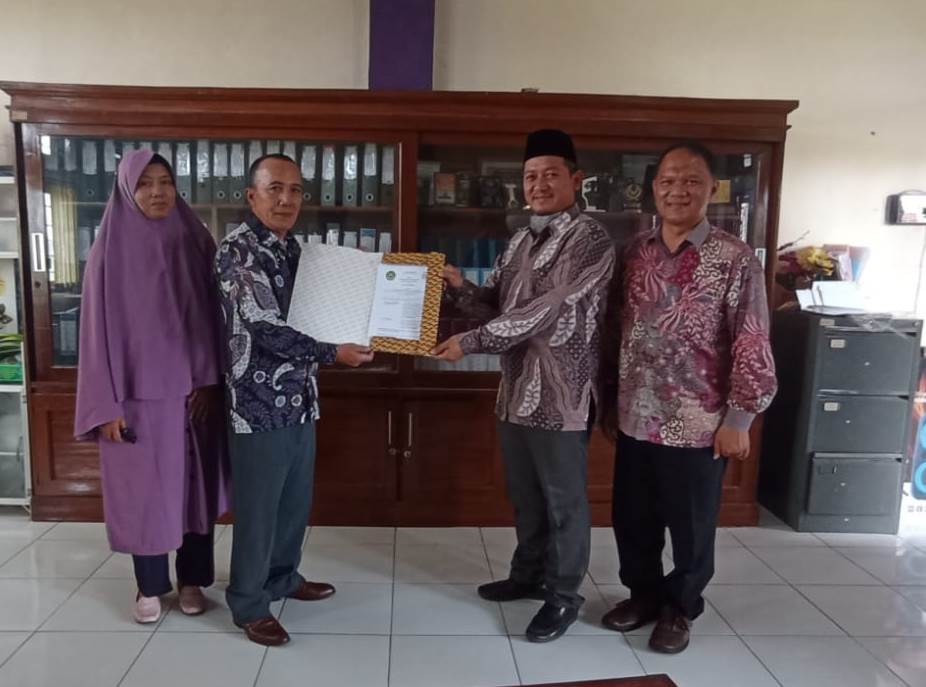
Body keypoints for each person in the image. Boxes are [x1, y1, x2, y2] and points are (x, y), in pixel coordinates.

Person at [432, 129, 615, 642]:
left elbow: (546, 309)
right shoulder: (519, 239)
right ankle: (528, 575)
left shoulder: (590, 239)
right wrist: (462, 288)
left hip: (561, 395)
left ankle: (563, 597)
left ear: (576, 180)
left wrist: (471, 342)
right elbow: (497, 303)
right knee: (525, 496)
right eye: (531, 176)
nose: (539, 185)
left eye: (551, 174)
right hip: (514, 391)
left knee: (563, 502)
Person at [598, 140, 778, 653]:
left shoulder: (733, 257)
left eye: (691, 180)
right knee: (633, 519)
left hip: (699, 421)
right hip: (636, 413)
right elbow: (613, 328)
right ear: (654, 188)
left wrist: (740, 418)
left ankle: (680, 608)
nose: (678, 190)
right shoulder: (634, 251)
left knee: (691, 527)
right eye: (668, 180)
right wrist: (608, 398)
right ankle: (643, 595)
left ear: (712, 189)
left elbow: (752, 338)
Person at [216, 153, 374, 647]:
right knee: (259, 509)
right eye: (275, 189)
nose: (286, 199)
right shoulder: (238, 251)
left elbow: (330, 304)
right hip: (257, 403)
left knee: (293, 502)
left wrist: (373, 288)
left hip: (301, 398)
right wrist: (334, 351)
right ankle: (248, 601)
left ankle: (282, 577)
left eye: (295, 190)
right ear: (252, 196)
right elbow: (264, 325)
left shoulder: (297, 251)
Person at [74, 148, 230, 624]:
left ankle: (192, 580)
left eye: (165, 182)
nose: (158, 192)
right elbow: (94, 337)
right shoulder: (108, 252)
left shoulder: (195, 239)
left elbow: (217, 316)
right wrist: (106, 406)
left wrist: (211, 381)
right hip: (137, 398)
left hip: (194, 394)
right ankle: (149, 585)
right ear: (126, 189)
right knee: (146, 492)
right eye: (145, 183)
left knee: (194, 492)